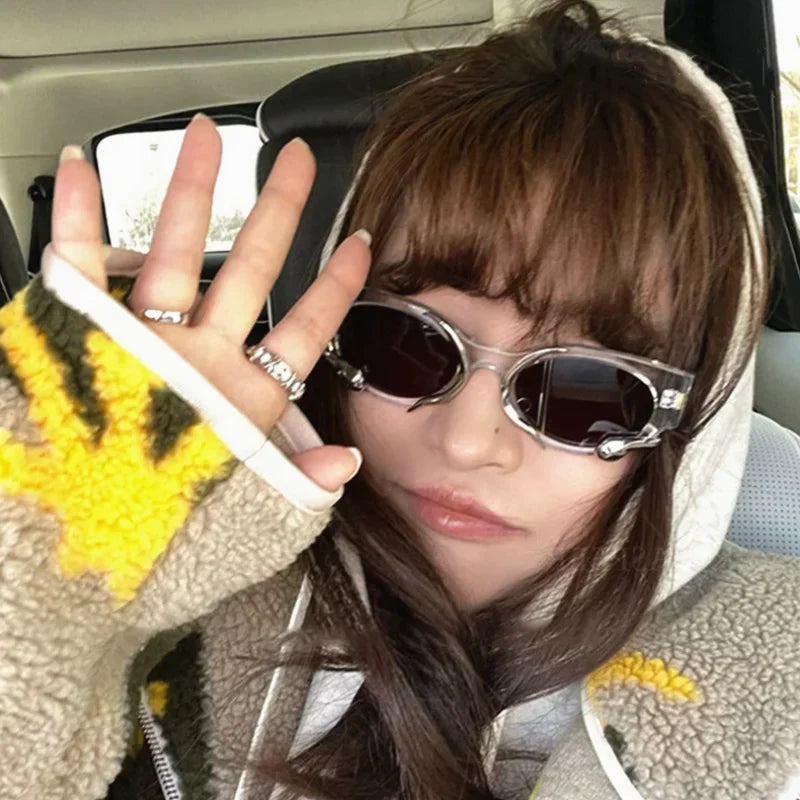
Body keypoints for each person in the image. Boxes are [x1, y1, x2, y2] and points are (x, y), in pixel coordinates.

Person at [0, 1, 797, 799]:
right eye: (406, 343)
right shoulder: (170, 586)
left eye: (587, 390)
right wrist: (39, 577)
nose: (467, 440)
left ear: (690, 419)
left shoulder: (775, 680)